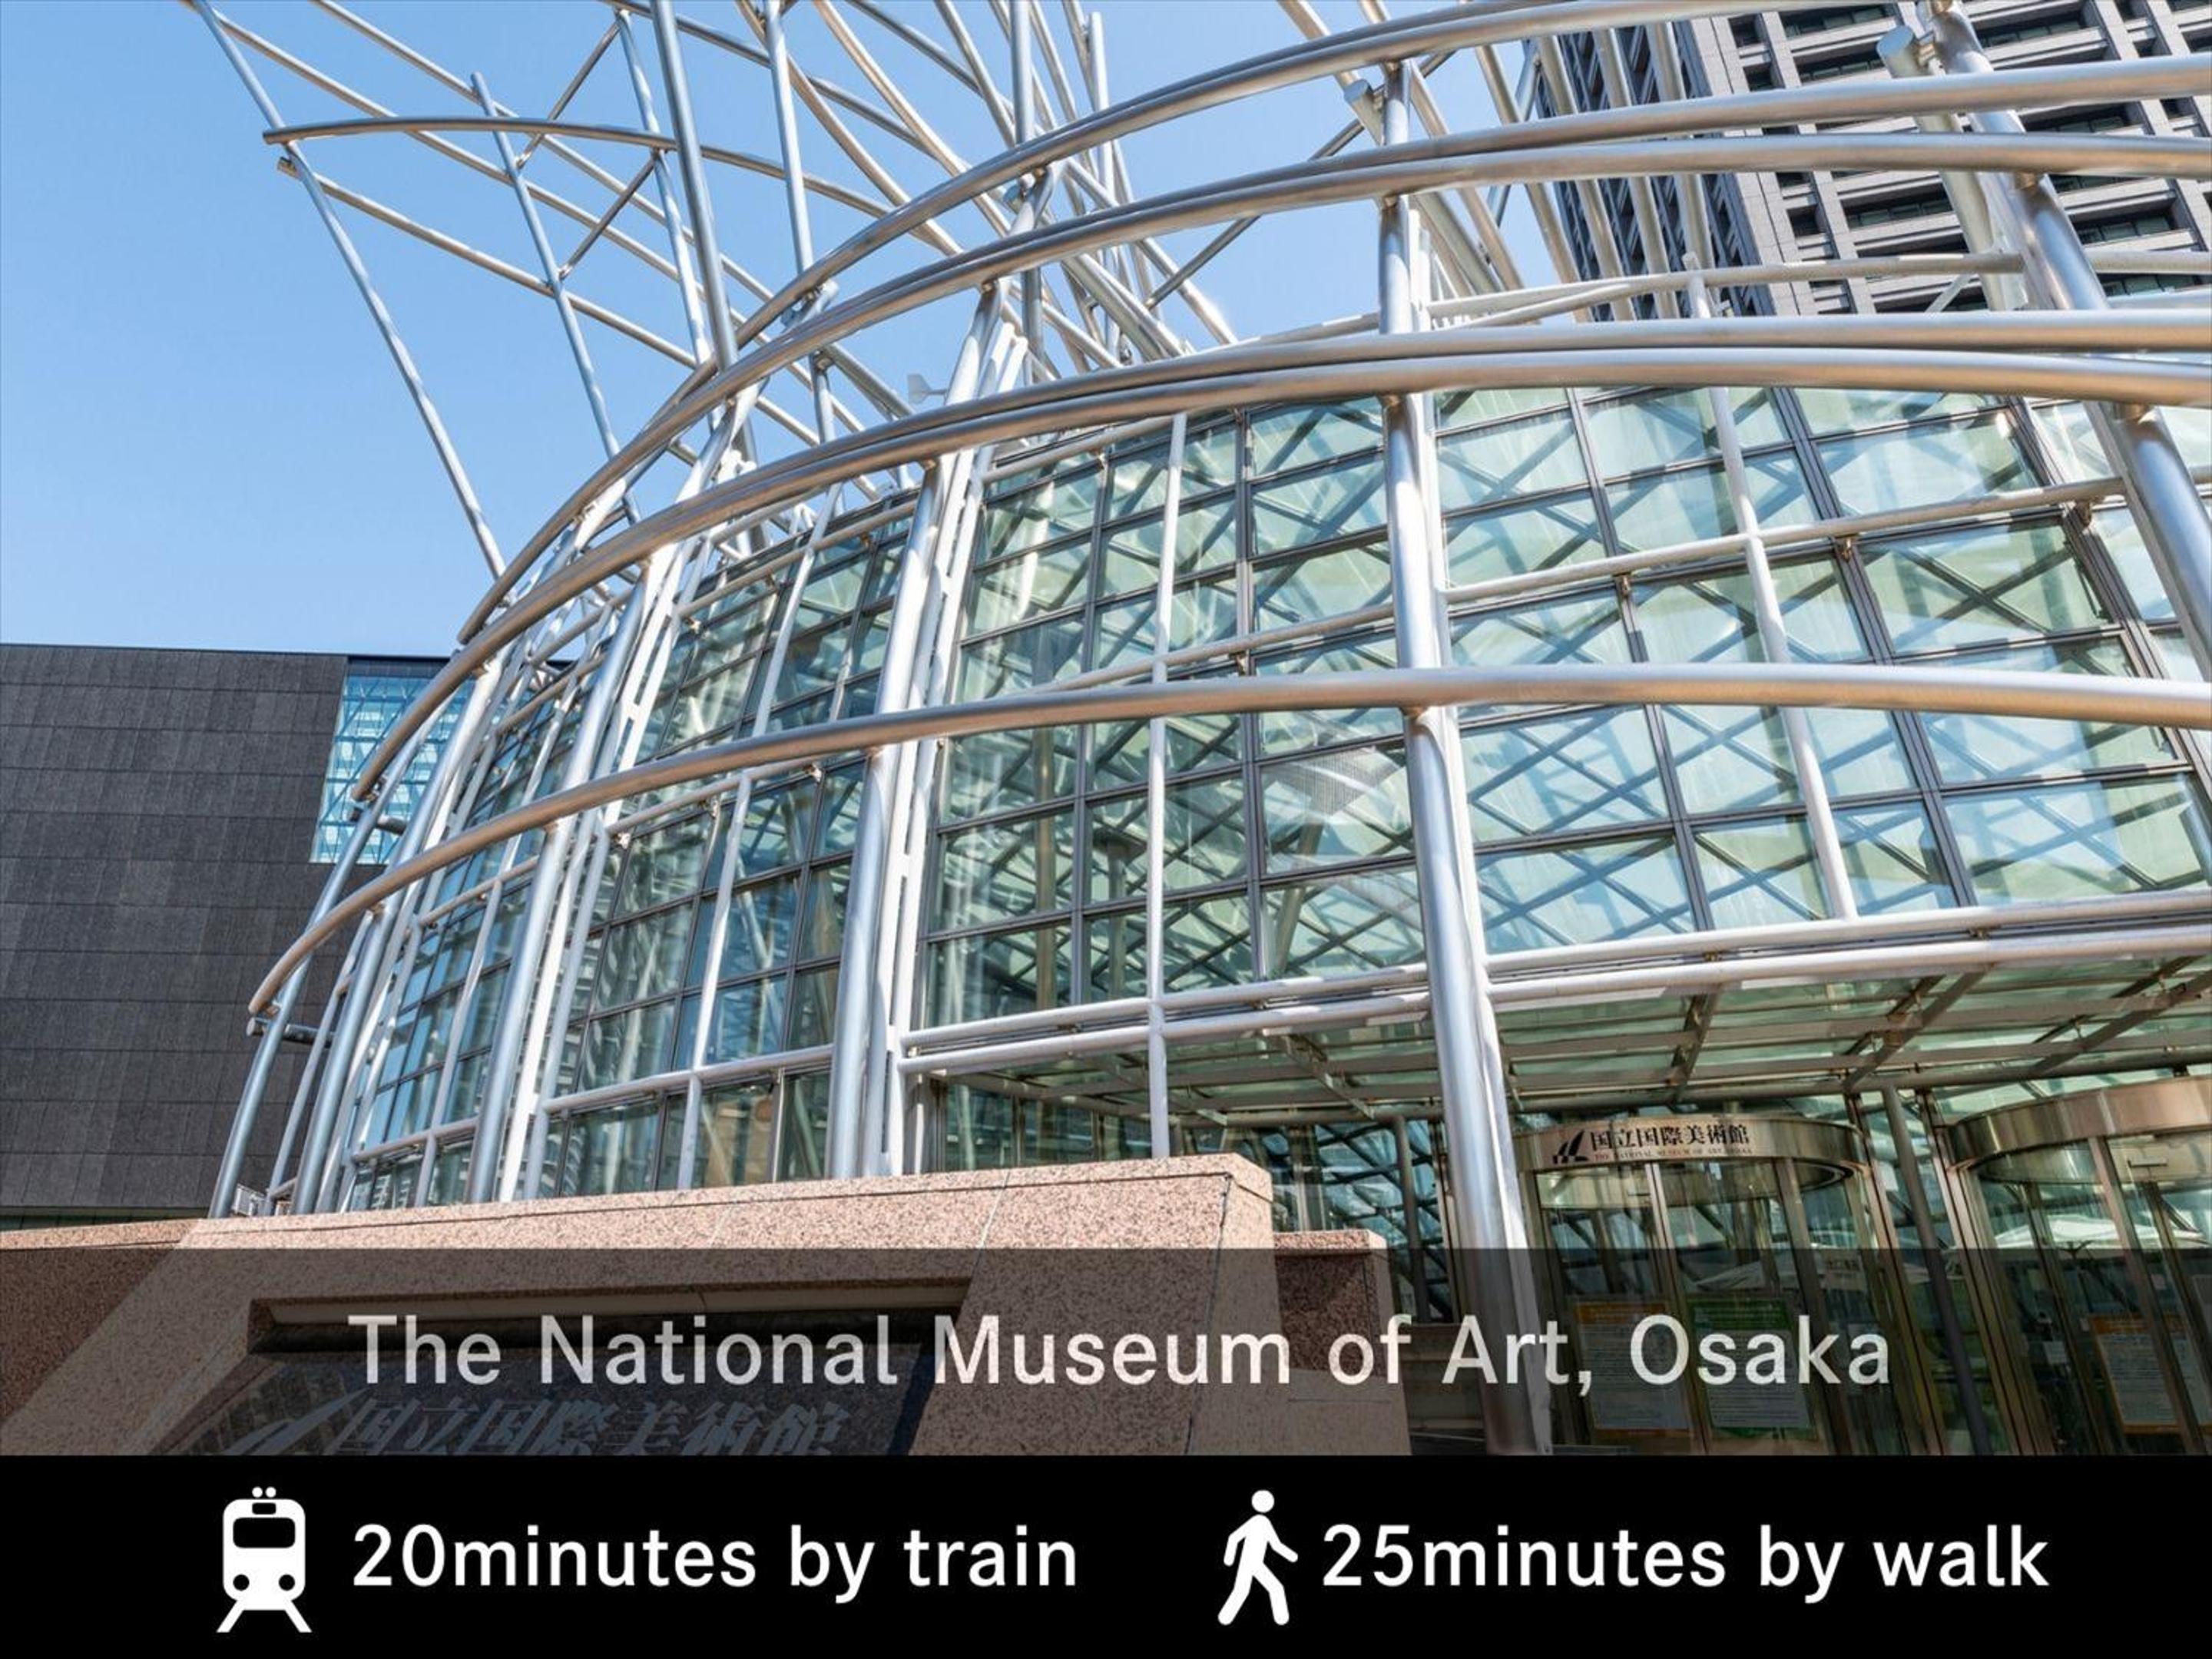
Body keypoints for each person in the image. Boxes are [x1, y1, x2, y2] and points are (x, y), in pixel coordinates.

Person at [1217, 1488, 1296, 1626]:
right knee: (1268, 1589)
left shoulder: (1263, 1522)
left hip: (1254, 1564)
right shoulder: (1258, 1521)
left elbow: (1275, 1545)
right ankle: (1224, 1619)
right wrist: (1228, 1559)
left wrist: (1291, 1556)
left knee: (1250, 1590)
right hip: (1250, 1564)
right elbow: (1234, 1538)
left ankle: (1225, 1619)